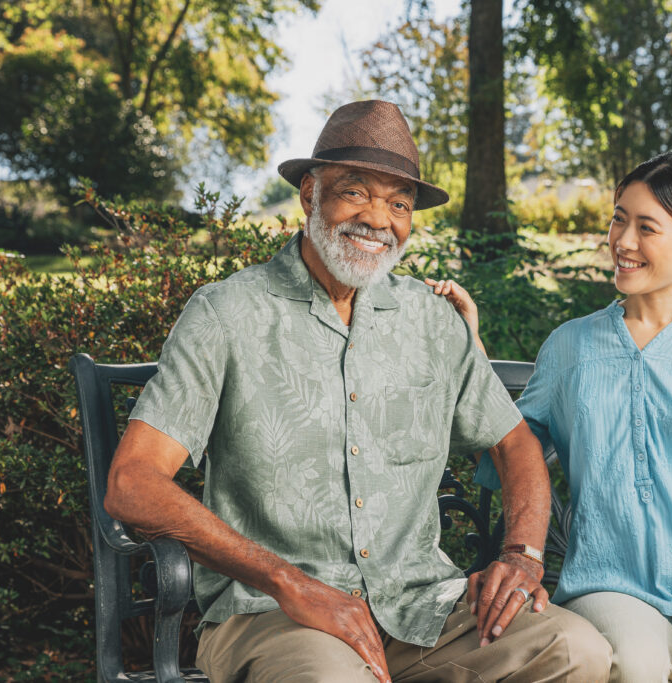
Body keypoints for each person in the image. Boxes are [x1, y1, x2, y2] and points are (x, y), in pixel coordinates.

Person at [103, 100, 611, 683]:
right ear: (309, 194)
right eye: (356, 192)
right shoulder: (228, 314)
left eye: (399, 204)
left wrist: (522, 556)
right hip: (276, 615)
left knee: (578, 652)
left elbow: (514, 444)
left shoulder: (431, 321)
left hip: (422, 608)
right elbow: (132, 483)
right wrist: (291, 583)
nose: (379, 218)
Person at [433, 152, 672, 683]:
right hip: (611, 585)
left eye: (646, 227)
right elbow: (506, 454)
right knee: (633, 666)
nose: (623, 241)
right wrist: (470, 349)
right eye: (618, 218)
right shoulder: (570, 347)